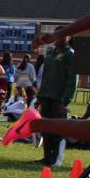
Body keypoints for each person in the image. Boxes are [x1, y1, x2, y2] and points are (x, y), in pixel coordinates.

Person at [34, 35, 76, 166]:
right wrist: (40, 96)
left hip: (59, 98)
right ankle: (47, 157)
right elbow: (45, 77)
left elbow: (72, 78)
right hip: (47, 96)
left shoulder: (70, 54)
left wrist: (66, 99)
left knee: (58, 129)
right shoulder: (51, 54)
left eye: (61, 35)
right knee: (46, 128)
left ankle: (56, 159)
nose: (58, 38)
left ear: (68, 38)